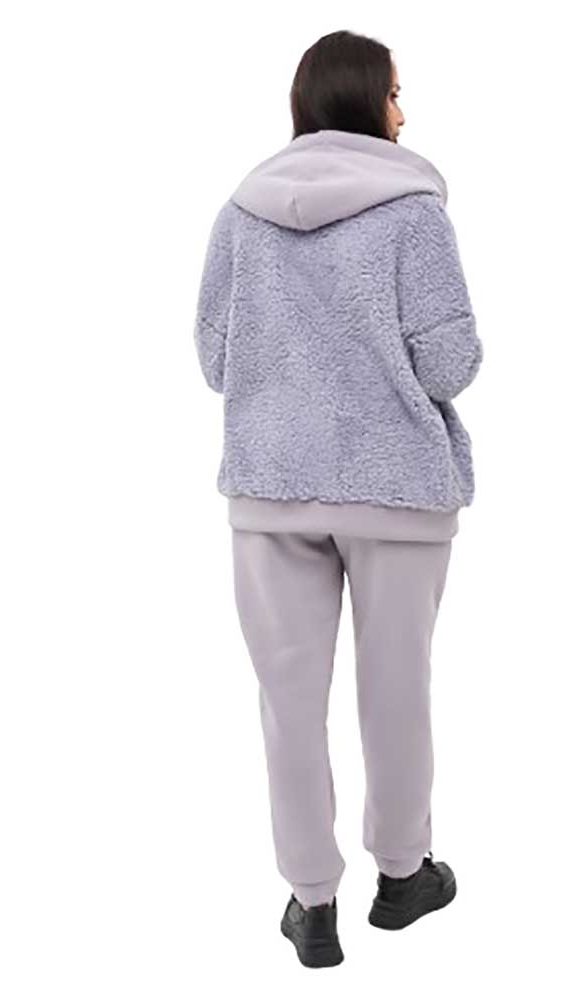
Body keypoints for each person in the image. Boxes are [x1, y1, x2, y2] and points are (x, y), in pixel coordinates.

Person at [193, 29, 483, 968]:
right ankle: (402, 878)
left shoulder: (241, 214)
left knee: (289, 702)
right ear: (366, 102)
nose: (404, 112)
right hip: (396, 492)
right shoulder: (414, 214)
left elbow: (215, 361)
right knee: (397, 692)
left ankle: (311, 902)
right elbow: (450, 361)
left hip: (273, 488)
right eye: (396, 93)